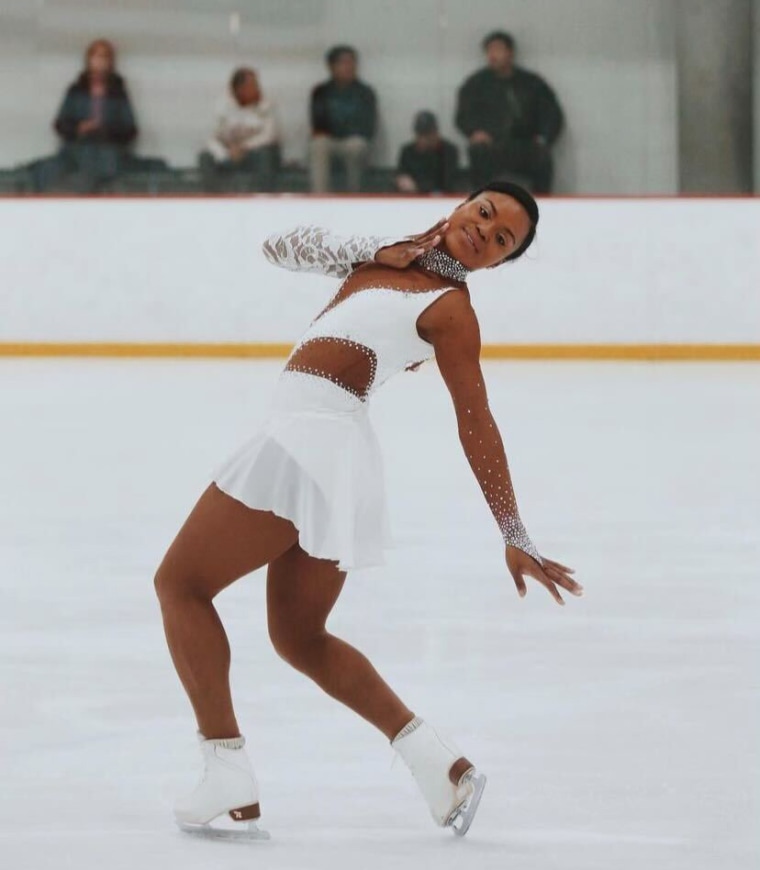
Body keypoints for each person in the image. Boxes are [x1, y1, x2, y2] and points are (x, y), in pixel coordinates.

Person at [154, 180, 582, 840]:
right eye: (485, 214)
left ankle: (223, 763)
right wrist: (371, 249)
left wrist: (512, 527)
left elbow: (476, 421)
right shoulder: (390, 255)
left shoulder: (451, 311)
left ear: (498, 263)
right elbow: (278, 245)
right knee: (299, 637)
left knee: (179, 585)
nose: (485, 232)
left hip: (311, 440)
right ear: (461, 207)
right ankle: (440, 766)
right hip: (334, 455)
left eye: (502, 241)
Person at [455, 31, 563, 193]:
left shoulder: (532, 83)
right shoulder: (476, 84)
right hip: (492, 145)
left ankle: (542, 205)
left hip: (525, 145)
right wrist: (474, 132)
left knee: (542, 157)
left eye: (497, 50)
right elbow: (463, 115)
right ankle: (481, 207)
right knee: (477, 153)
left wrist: (543, 138)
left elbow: (552, 114)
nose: (492, 55)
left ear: (510, 52)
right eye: (489, 51)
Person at [29, 39, 137, 193]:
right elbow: (60, 124)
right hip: (76, 150)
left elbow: (130, 129)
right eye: (96, 56)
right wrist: (80, 127)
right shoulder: (76, 90)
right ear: (88, 59)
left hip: (109, 152)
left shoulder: (118, 93)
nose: (100, 61)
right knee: (47, 171)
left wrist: (106, 130)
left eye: (104, 57)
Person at [198, 67, 280, 193]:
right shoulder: (222, 106)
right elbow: (210, 138)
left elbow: (270, 135)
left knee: (266, 154)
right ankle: (213, 202)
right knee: (205, 157)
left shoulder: (267, 104)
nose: (258, 89)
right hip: (228, 153)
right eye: (253, 85)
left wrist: (243, 147)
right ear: (239, 89)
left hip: (254, 152)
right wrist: (225, 154)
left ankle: (265, 201)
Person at [309, 45, 377, 192]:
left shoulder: (365, 92)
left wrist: (341, 127)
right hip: (330, 140)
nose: (349, 67)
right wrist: (341, 126)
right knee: (318, 145)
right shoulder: (320, 91)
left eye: (352, 62)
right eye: (344, 62)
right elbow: (318, 125)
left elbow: (367, 126)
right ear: (331, 66)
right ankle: (319, 198)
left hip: (354, 139)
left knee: (356, 146)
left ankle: (354, 197)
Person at [395, 111, 460, 194]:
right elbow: (401, 172)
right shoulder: (407, 151)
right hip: (411, 198)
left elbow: (447, 181)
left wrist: (418, 186)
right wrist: (401, 180)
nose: (423, 139)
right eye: (420, 135)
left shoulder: (448, 151)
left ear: (435, 133)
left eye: (427, 135)